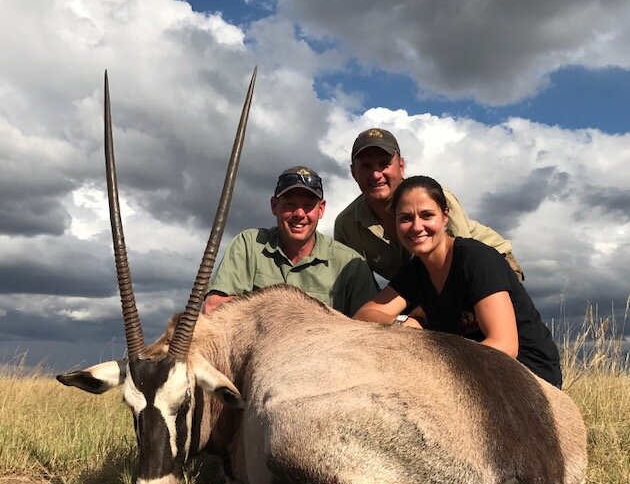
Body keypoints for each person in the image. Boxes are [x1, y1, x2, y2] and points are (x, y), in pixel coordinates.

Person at [353, 176, 562, 388]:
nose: (416, 227)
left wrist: (434, 364)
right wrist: (406, 324)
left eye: (427, 215)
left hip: (527, 373)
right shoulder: (415, 271)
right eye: (405, 218)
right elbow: (364, 316)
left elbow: (504, 345)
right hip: (470, 369)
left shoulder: (477, 259)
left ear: (445, 217)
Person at [334, 128, 525, 282]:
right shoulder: (346, 224)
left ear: (401, 166)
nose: (376, 175)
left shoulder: (438, 197)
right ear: (353, 172)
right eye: (366, 166)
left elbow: (466, 262)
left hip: (489, 266)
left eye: (384, 164)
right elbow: (358, 285)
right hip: (424, 285)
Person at [203, 166, 377, 316]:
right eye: (290, 204)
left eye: (308, 205)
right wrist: (279, 308)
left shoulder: (351, 264)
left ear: (321, 209)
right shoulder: (248, 244)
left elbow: (369, 326)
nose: (299, 214)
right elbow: (213, 308)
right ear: (274, 206)